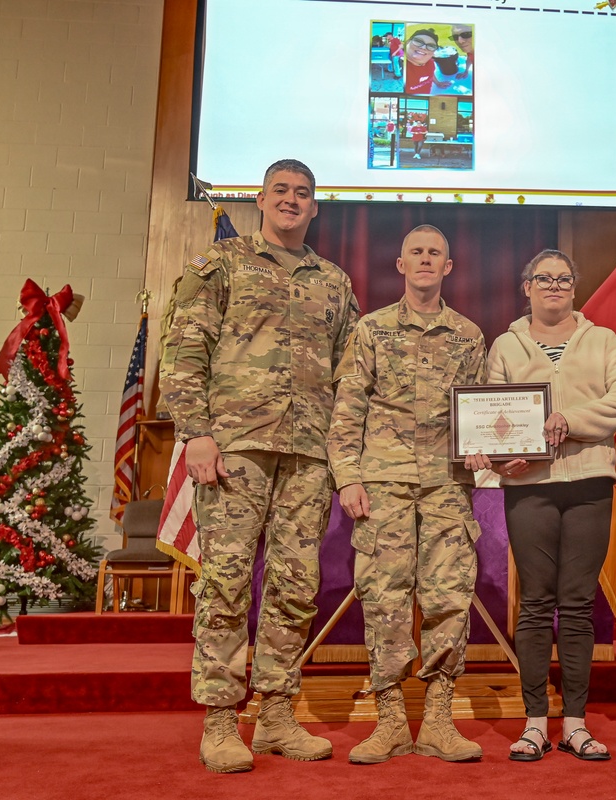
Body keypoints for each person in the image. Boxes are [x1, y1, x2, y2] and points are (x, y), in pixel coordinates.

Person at [159, 159, 360, 774]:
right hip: (235, 447)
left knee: (295, 585)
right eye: (281, 191)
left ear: (316, 207)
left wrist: (343, 449)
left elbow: (350, 372)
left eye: (303, 193)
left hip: (307, 453)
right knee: (225, 581)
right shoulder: (222, 264)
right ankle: (221, 717)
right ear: (261, 199)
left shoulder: (334, 281)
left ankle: (275, 713)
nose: (292, 201)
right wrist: (195, 432)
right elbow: (185, 346)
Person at [466, 250, 616, 763]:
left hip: (589, 482)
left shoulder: (602, 339)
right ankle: (535, 723)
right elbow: (488, 412)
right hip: (531, 487)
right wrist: (499, 461)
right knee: (538, 603)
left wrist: (572, 418)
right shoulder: (505, 344)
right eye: (543, 279)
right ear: (527, 287)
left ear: (573, 287)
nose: (554, 287)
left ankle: (577, 725)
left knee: (579, 603)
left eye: (563, 279)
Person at [329, 224, 487, 765]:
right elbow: (349, 406)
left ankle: (439, 721)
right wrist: (347, 475)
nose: (424, 260)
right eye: (415, 252)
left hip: (446, 484)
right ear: (400, 265)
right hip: (385, 484)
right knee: (385, 599)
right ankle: (392, 721)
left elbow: (481, 411)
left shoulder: (468, 335)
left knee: (448, 600)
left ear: (448, 267)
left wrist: (484, 447)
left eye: (434, 253)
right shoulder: (371, 330)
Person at [404, 29, 439, 94]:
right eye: (418, 41)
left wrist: (438, 83)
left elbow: (430, 74)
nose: (423, 47)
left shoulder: (430, 62)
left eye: (431, 46)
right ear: (407, 42)